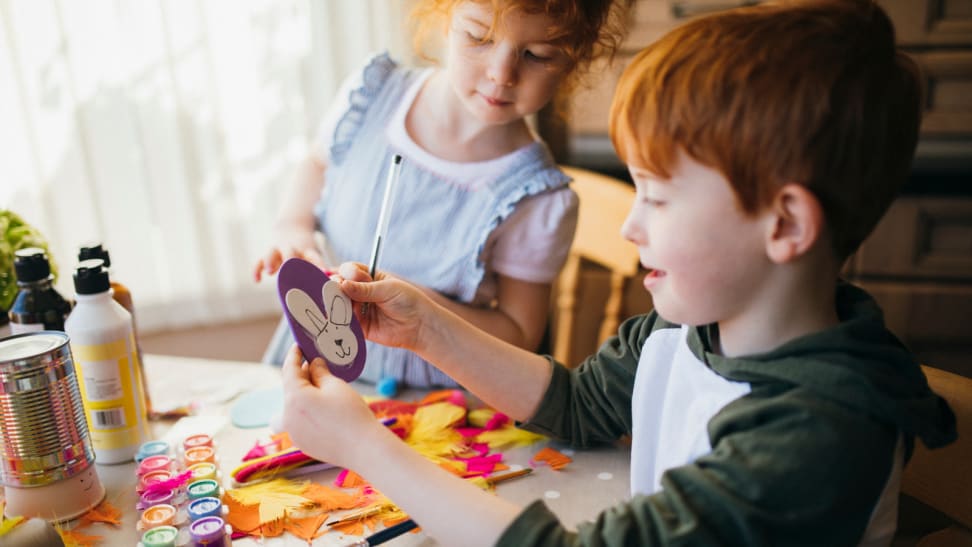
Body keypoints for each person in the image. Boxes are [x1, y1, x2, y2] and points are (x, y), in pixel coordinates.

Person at [279, 0, 958, 545]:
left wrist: (366, 448)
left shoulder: (816, 431)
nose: (632, 227)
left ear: (784, 225)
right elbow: (577, 404)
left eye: (658, 198)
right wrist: (426, 327)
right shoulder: (685, 328)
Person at [253, 0, 627, 387]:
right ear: (444, 18)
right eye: (479, 37)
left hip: (429, 399)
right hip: (313, 362)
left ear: (575, 60)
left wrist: (419, 308)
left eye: (538, 55)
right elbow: (317, 165)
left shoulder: (536, 199)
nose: (502, 74)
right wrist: (292, 228)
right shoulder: (371, 96)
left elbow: (517, 335)